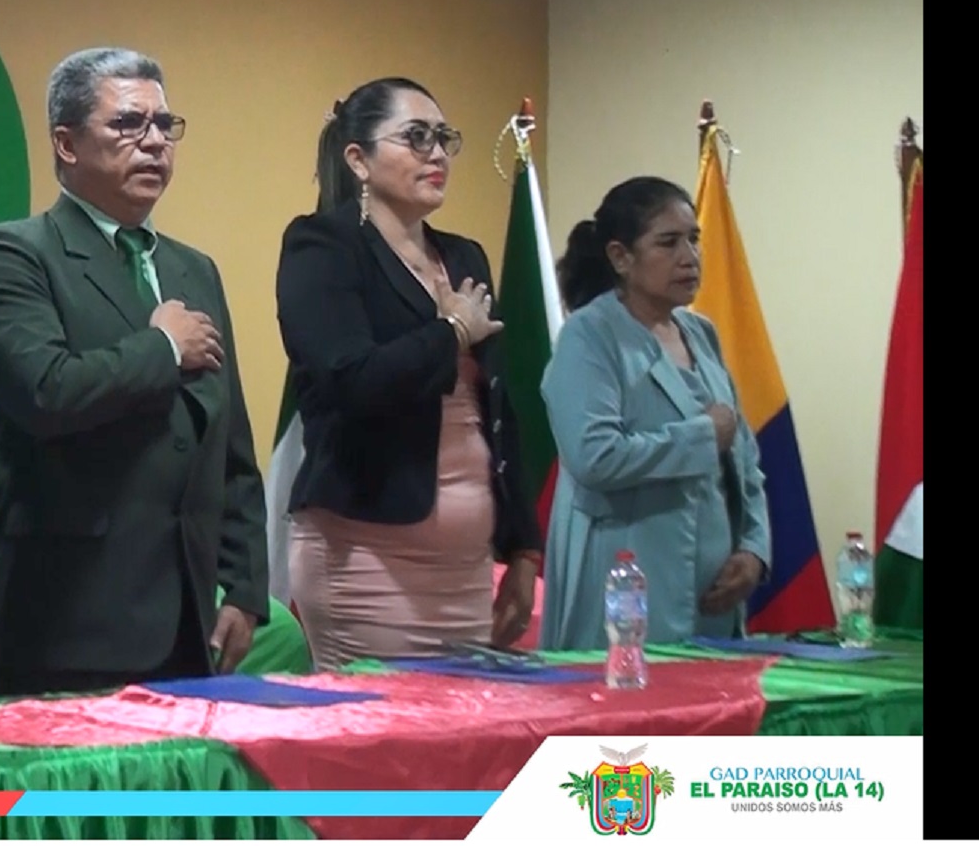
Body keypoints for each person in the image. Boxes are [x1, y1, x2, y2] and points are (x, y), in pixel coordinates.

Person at [0, 47, 269, 697]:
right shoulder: (13, 253)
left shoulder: (194, 270)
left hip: (190, 624)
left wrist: (244, 586)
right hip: (68, 624)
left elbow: (230, 444)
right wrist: (162, 349)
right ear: (66, 144)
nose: (154, 142)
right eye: (129, 124)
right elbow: (46, 392)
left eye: (164, 125)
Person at [274, 78, 541, 669]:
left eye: (444, 138)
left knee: (468, 723)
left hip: (466, 567)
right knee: (389, 723)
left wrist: (524, 549)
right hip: (367, 560)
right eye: (416, 137)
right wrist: (450, 332)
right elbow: (351, 380)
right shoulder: (323, 247)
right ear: (358, 160)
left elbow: (500, 409)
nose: (437, 153)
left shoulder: (465, 256)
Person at [539, 177, 770, 650]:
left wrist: (753, 550)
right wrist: (701, 437)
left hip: (713, 602)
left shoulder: (700, 333)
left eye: (693, 239)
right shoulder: (589, 336)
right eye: (668, 242)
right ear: (621, 257)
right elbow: (594, 456)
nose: (690, 257)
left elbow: (744, 460)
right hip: (625, 591)